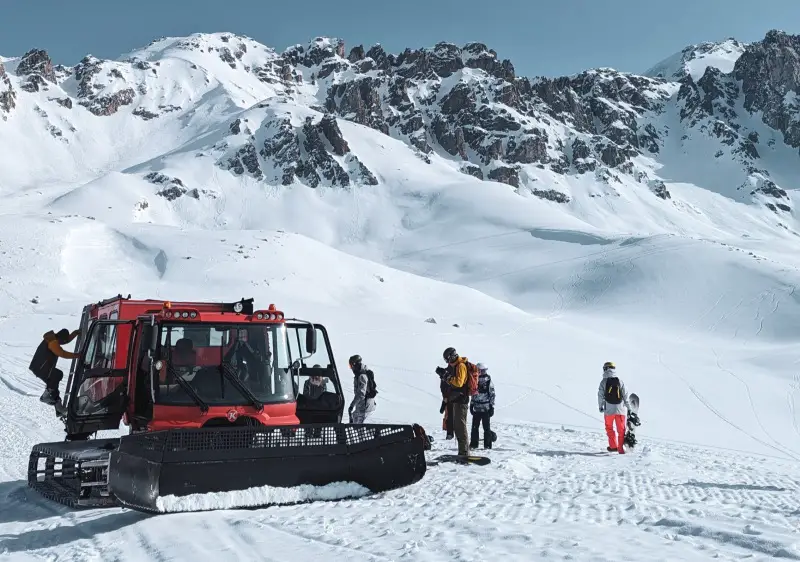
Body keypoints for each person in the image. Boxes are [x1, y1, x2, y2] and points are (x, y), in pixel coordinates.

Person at [29, 328, 80, 406]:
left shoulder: (54, 339)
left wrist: (75, 333)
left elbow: (66, 340)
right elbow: (62, 353)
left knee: (55, 383)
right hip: (40, 368)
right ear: (61, 338)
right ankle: (46, 396)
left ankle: (58, 406)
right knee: (56, 375)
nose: (64, 343)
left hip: (41, 367)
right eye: (63, 341)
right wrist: (77, 355)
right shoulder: (53, 343)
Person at [435, 347, 470, 456]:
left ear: (452, 356)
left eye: (448, 359)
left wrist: (446, 377)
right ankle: (462, 451)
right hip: (456, 400)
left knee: (460, 427)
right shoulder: (454, 366)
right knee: (457, 426)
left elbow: (459, 383)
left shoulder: (461, 366)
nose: (448, 362)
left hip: (461, 400)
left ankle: (464, 452)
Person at [597, 361, 630, 454]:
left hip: (608, 410)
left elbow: (600, 395)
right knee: (621, 429)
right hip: (621, 410)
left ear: (605, 369)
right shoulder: (620, 380)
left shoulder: (603, 382)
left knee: (609, 427)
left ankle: (613, 446)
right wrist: (628, 407)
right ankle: (620, 449)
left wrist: (600, 406)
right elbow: (625, 395)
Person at [470, 362, 495, 449]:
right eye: (481, 371)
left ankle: (487, 445)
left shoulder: (488, 381)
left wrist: (492, 406)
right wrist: (471, 404)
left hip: (485, 408)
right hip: (477, 408)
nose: (483, 373)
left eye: (484, 371)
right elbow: (473, 393)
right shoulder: (474, 381)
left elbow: (492, 394)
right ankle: (473, 444)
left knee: (486, 428)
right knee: (474, 427)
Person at [348, 354, 376, 423]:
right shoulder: (359, 375)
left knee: (359, 426)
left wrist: (352, 405)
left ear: (355, 364)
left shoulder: (362, 376)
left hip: (365, 406)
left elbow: (361, 394)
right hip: (363, 405)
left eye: (351, 366)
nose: (351, 368)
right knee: (354, 418)